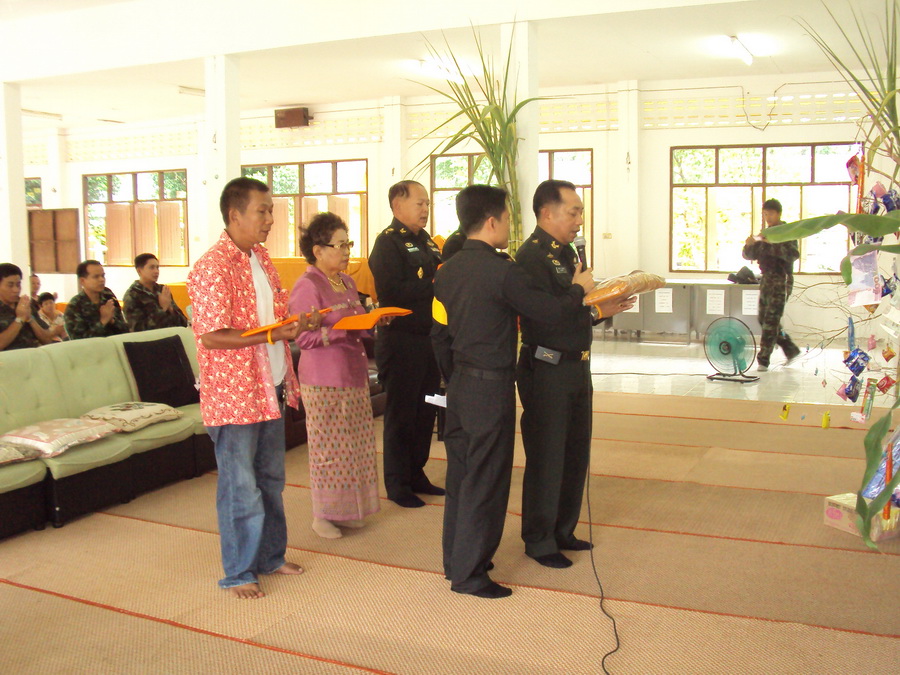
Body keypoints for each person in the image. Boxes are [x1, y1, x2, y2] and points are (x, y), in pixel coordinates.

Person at [433, 185, 620, 599]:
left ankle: (457, 561)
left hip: (462, 382)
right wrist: (579, 291)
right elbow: (548, 311)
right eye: (506, 218)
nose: (509, 226)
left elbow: (440, 334)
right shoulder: (503, 271)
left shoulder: (448, 269)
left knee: (463, 476)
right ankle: (470, 574)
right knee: (487, 480)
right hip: (489, 385)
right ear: (492, 221)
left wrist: (454, 376)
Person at [188, 176, 320, 599]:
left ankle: (270, 556)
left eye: (271, 211)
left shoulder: (260, 257)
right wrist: (272, 335)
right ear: (235, 215)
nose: (270, 219)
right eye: (262, 211)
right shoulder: (212, 267)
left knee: (270, 480)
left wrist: (295, 325)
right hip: (235, 396)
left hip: (270, 384)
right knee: (239, 487)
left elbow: (271, 320)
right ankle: (239, 571)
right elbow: (211, 336)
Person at [516, 179, 633, 570]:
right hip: (547, 367)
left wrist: (599, 309)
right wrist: (581, 294)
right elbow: (546, 316)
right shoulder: (531, 258)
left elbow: (572, 313)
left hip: (576, 365)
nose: (580, 220)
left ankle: (563, 529)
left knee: (574, 452)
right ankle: (539, 539)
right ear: (547, 213)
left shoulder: (567, 253)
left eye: (581, 212)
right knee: (548, 455)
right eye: (574, 212)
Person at [289, 212, 383, 540]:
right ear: (318, 250)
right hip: (324, 378)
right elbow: (302, 338)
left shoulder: (347, 282)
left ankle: (347, 510)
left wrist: (374, 322)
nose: (346, 251)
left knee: (355, 446)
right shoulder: (307, 285)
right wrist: (343, 331)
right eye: (340, 245)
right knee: (328, 449)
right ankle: (323, 515)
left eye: (348, 244)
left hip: (354, 373)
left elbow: (358, 324)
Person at [368, 179, 444, 508]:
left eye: (427, 203)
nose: (426, 208)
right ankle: (398, 483)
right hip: (401, 342)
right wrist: (436, 283)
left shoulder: (425, 240)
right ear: (398, 206)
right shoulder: (388, 243)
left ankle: (417, 473)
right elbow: (392, 292)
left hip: (429, 340)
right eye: (419, 203)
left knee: (425, 411)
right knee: (401, 415)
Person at [743, 198, 801, 372]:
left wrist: (773, 244)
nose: (768, 218)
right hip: (767, 279)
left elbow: (793, 254)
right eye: (765, 214)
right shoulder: (764, 234)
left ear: (779, 214)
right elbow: (750, 255)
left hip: (781, 279)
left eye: (771, 214)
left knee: (771, 320)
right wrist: (748, 245)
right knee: (763, 318)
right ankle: (790, 349)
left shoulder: (787, 232)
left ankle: (763, 360)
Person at [123, 253, 189, 332]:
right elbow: (138, 329)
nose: (156, 271)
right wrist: (162, 309)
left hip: (172, 336)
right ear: (139, 271)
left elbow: (184, 323)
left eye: (157, 268)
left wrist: (170, 309)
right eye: (151, 267)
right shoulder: (132, 295)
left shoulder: (162, 290)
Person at [64, 260, 129, 339]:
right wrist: (103, 321)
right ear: (82, 281)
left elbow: (125, 330)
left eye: (103, 276)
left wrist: (112, 321)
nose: (102, 280)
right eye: (96, 277)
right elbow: (79, 340)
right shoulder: (75, 306)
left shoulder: (108, 296)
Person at [0, 263, 57, 350]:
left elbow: (47, 340)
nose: (16, 290)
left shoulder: (26, 305)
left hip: (34, 354)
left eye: (18, 285)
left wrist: (30, 319)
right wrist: (20, 319)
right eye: (10, 285)